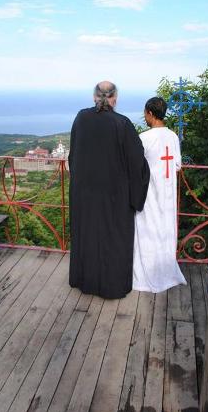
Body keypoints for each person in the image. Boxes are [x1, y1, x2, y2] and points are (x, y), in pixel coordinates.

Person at [68, 81, 150, 299]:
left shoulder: (81, 118)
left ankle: (84, 280)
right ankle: (111, 286)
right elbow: (137, 162)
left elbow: (73, 154)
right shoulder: (121, 123)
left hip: (85, 192)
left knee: (88, 235)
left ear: (94, 97)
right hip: (114, 195)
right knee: (113, 239)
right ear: (115, 98)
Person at [133, 97, 186, 292]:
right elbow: (178, 165)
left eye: (145, 113)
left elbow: (135, 167)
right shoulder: (172, 136)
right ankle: (165, 272)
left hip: (149, 193)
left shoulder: (144, 138)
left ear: (150, 113)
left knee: (147, 231)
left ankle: (146, 274)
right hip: (168, 193)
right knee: (165, 230)